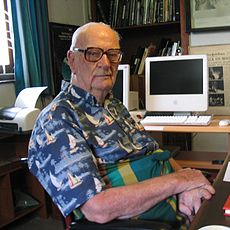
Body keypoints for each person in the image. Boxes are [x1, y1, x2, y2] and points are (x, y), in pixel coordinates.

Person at [28, 22, 215, 228]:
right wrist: (181, 181)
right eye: (93, 53)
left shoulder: (113, 104)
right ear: (72, 60)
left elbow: (156, 154)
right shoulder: (56, 121)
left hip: (178, 200)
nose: (106, 63)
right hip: (150, 221)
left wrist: (188, 187)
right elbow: (97, 208)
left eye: (113, 54)